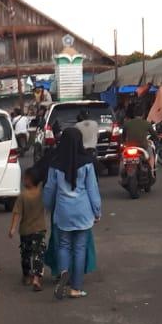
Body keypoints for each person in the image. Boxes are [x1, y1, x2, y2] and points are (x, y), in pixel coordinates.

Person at [44, 126, 102, 299]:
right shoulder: (87, 162)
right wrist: (97, 211)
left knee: (64, 246)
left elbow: (49, 189)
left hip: (63, 211)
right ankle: (75, 288)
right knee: (79, 248)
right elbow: (93, 189)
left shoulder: (55, 163)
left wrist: (47, 207)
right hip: (83, 211)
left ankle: (63, 273)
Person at [8, 156, 49, 291]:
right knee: (39, 253)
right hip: (40, 230)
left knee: (26, 254)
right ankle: (37, 278)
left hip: (25, 231)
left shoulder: (22, 196)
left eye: (25, 178)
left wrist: (12, 228)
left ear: (29, 181)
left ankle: (27, 276)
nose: (23, 180)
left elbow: (16, 213)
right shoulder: (42, 193)